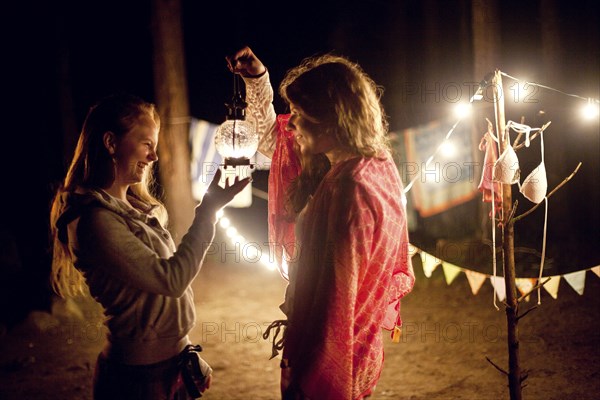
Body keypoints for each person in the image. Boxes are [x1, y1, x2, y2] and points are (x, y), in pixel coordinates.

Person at [226, 47, 415, 399]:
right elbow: (273, 135)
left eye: (299, 112)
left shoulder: (350, 187)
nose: (291, 123)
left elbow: (336, 300)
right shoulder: (375, 162)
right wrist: (256, 81)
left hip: (335, 348)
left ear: (332, 118)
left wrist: (310, 372)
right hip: (352, 338)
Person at [49, 93, 250, 399]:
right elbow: (172, 279)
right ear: (111, 143)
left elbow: (161, 304)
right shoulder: (93, 221)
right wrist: (207, 210)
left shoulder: (134, 209)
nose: (153, 156)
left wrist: (184, 350)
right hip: (136, 378)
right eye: (146, 144)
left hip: (169, 363)